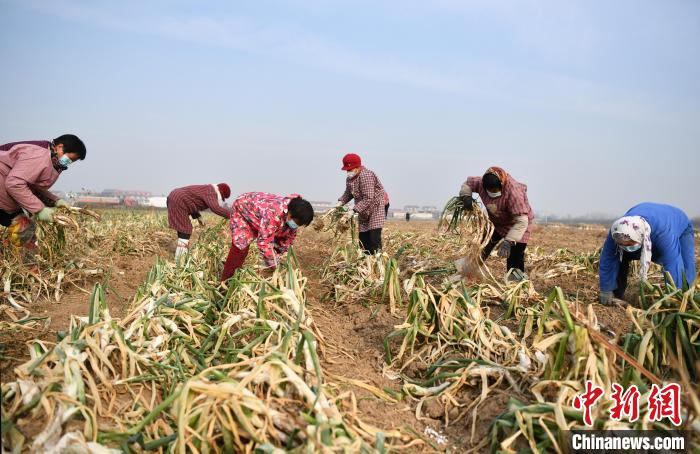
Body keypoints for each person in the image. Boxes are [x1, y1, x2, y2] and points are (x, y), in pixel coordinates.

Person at [599, 203, 696, 305]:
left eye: (630, 244)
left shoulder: (663, 234)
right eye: (622, 244)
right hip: (645, 217)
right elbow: (607, 258)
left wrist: (674, 297)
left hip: (679, 223)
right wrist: (606, 289)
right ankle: (617, 294)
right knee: (619, 256)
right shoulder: (617, 231)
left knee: (686, 265)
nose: (627, 248)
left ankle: (687, 296)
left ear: (641, 237)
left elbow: (673, 264)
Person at [458, 166, 534, 280]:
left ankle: (516, 282)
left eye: (495, 190)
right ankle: (466, 272)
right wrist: (466, 197)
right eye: (490, 190)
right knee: (482, 246)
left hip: (517, 225)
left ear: (502, 184)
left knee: (515, 256)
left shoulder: (513, 191)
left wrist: (509, 241)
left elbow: (522, 221)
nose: (493, 193)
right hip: (496, 223)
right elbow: (467, 184)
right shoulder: (481, 183)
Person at [220, 192, 314, 282]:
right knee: (241, 246)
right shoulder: (273, 213)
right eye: (296, 223)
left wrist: (282, 256)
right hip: (243, 208)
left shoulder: (294, 213)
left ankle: (270, 270)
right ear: (289, 214)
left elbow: (288, 239)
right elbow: (264, 243)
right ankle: (226, 281)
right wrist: (274, 265)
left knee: (279, 242)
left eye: (299, 224)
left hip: (261, 214)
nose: (296, 226)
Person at [0, 135, 86, 227]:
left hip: (5, 201)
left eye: (72, 161)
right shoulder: (39, 155)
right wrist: (39, 210)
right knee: (23, 231)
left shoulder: (50, 159)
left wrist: (55, 201)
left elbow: (31, 186)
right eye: (70, 159)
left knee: (24, 231)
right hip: (3, 198)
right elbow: (15, 184)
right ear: (60, 147)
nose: (69, 162)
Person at [337, 153, 388, 254]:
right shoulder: (350, 178)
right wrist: (340, 202)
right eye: (347, 170)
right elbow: (348, 193)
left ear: (357, 167)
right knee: (363, 239)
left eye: (350, 169)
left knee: (373, 238)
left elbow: (368, 198)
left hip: (377, 207)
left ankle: (377, 262)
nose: (348, 172)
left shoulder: (366, 175)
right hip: (363, 208)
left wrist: (353, 211)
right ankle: (365, 262)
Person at [167, 183, 232, 260]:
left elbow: (191, 201)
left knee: (183, 230)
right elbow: (215, 208)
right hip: (178, 200)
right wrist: (233, 216)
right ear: (220, 193)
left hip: (175, 197)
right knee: (185, 230)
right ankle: (179, 260)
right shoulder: (211, 192)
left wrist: (198, 216)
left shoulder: (206, 189)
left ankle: (182, 255)